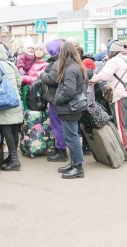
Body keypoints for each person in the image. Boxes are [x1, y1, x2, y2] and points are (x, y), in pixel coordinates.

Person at [89, 41, 127, 160]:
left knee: (120, 125)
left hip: (120, 95)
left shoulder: (115, 60)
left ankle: (124, 150)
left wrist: (93, 80)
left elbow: (104, 75)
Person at [45, 42, 87, 179]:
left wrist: (57, 101)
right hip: (71, 108)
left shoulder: (70, 69)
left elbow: (69, 91)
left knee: (72, 138)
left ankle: (78, 167)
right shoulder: (75, 66)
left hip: (69, 108)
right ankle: (74, 163)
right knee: (71, 137)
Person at [0, 43, 23, 171]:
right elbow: (19, 81)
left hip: (5, 103)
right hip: (15, 100)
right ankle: (14, 157)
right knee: (14, 130)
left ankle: (14, 160)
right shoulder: (11, 64)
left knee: (6, 130)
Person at [40, 39, 68, 162]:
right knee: (60, 125)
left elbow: (52, 80)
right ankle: (60, 149)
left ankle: (61, 151)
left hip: (55, 98)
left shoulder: (57, 62)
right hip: (58, 98)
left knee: (57, 125)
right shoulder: (60, 60)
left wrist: (41, 74)